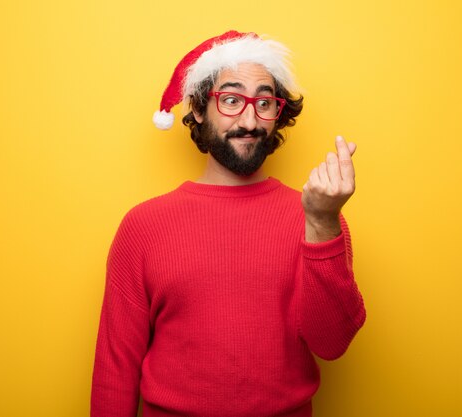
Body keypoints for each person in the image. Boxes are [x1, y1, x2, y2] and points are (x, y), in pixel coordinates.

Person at [91, 30, 366, 417]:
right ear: (200, 109)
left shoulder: (315, 216)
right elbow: (115, 369)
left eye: (265, 103)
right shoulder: (144, 226)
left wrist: (322, 222)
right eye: (232, 100)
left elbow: (332, 343)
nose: (251, 121)